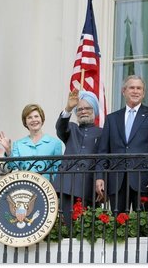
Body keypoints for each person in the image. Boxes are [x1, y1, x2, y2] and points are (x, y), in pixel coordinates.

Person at [95, 75, 148, 214]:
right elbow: (103, 151)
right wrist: (99, 176)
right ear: (124, 91)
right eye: (132, 88)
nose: (135, 91)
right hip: (117, 180)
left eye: (139, 88)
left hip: (144, 178)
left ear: (143, 92)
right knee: (118, 225)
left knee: (144, 225)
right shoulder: (112, 118)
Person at [53, 89, 103, 227]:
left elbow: (104, 161)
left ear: (94, 110)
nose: (83, 111)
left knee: (86, 227)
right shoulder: (71, 128)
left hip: (89, 185)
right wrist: (68, 108)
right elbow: (60, 128)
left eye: (87, 108)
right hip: (66, 184)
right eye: (79, 109)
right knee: (65, 224)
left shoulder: (103, 133)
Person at [0, 104, 62, 181]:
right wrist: (8, 150)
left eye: (36, 116)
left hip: (47, 190)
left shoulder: (55, 143)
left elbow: (57, 171)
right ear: (25, 122)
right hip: (25, 188)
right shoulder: (18, 144)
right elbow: (13, 167)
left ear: (42, 119)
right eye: (29, 117)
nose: (33, 120)